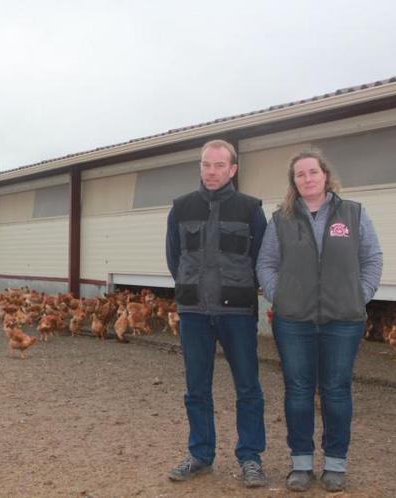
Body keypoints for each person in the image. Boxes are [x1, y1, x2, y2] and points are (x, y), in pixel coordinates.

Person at [256, 150, 383, 493]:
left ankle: (335, 464)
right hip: (293, 320)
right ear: (293, 182)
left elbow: (372, 257)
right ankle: (300, 463)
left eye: (313, 172)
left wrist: (360, 294)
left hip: (343, 320)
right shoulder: (281, 220)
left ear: (325, 175)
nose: (307, 178)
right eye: (300, 174)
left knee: (336, 390)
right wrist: (278, 295)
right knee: (297, 391)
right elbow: (266, 262)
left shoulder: (353, 213)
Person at [165, 139, 268, 488]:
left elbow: (261, 258)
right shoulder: (181, 208)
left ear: (233, 169)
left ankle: (250, 457)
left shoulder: (251, 209)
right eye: (206, 165)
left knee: (248, 387)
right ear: (200, 166)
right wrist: (189, 286)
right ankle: (200, 454)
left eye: (219, 165)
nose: (212, 171)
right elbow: (173, 257)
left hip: (237, 312)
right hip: (194, 311)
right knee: (196, 388)